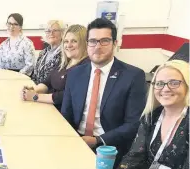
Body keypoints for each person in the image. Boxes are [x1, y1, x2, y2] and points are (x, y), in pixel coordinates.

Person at [60, 18, 147, 168]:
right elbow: (66, 113)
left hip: (110, 146)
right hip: (76, 140)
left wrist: (97, 140)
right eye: (93, 41)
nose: (97, 47)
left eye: (104, 41)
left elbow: (133, 124)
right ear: (87, 45)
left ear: (115, 43)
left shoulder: (133, 76)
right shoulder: (75, 74)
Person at [119, 60, 189, 169]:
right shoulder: (151, 117)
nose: (165, 89)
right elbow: (135, 157)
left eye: (174, 83)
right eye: (159, 83)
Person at [21, 24, 89, 110]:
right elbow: (48, 81)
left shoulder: (86, 66)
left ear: (84, 43)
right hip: (49, 107)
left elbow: (65, 95)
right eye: (66, 41)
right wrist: (34, 89)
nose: (69, 45)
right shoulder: (65, 61)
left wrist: (35, 97)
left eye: (74, 41)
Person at [29, 20, 65, 84]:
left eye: (55, 30)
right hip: (37, 88)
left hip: (50, 91)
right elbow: (35, 75)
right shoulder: (43, 53)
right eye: (48, 31)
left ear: (62, 32)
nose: (51, 33)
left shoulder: (64, 54)